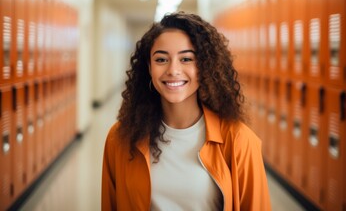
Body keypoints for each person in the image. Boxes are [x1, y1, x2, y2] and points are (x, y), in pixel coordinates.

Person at [101, 12, 271, 211]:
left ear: (205, 67)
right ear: (149, 67)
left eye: (186, 59)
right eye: (161, 59)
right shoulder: (121, 138)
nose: (173, 70)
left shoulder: (239, 141)